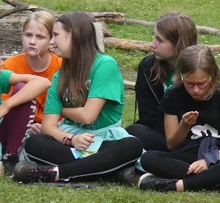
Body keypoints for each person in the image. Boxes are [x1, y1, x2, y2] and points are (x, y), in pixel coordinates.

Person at [14, 11, 143, 184]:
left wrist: (61, 109)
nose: (51, 42)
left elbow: (88, 116)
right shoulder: (59, 75)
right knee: (35, 143)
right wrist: (71, 139)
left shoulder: (105, 65)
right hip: (71, 139)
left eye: (56, 35)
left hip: (103, 139)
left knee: (131, 146)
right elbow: (48, 126)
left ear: (74, 35)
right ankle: (107, 171)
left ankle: (56, 173)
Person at [138, 44, 220, 194]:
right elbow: (172, 144)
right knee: (148, 158)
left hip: (216, 152)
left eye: (201, 83)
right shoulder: (172, 95)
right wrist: (184, 125)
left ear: (212, 76)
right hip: (187, 154)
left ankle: (180, 185)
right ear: (181, 76)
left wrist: (207, 161)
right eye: (189, 83)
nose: (195, 90)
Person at [126, 13, 199, 151]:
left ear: (179, 44)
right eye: (154, 37)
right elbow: (148, 116)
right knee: (134, 131)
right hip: (164, 135)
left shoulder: (201, 68)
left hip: (198, 133)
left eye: (159, 40)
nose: (152, 44)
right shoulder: (148, 67)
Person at [0, 10, 63, 135]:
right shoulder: (10, 65)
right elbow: (5, 108)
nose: (32, 41)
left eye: (40, 37)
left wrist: (49, 125)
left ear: (51, 40)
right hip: (18, 127)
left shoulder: (62, 66)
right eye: (28, 35)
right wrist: (29, 126)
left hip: (57, 127)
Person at [0, 59, 50, 161]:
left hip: (3, 132)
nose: (1, 62)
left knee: (24, 88)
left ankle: (11, 156)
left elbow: (43, 82)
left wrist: (6, 105)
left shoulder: (2, 76)